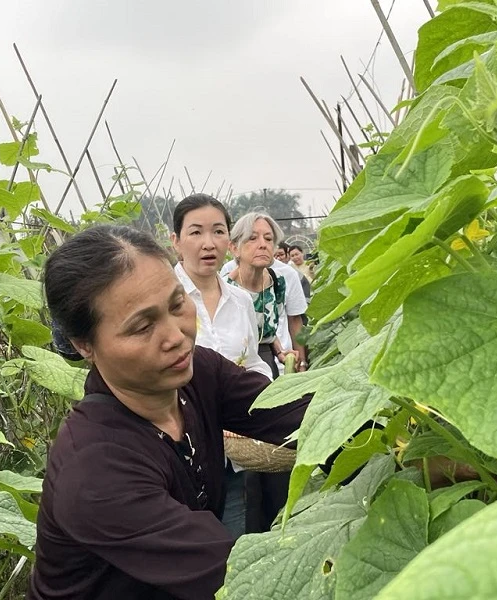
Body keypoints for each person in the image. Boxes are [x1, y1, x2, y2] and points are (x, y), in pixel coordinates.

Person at [28, 225, 308, 600]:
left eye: (177, 304)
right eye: (142, 326)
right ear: (84, 345)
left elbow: (299, 413)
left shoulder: (198, 372)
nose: (176, 336)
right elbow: (239, 581)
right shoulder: (95, 468)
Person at [170, 193, 272, 540]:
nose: (208, 243)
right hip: (181, 445)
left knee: (232, 540)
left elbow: (256, 361)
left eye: (218, 232)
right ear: (176, 241)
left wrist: (257, 404)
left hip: (239, 446)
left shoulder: (242, 300)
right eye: (195, 233)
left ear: (229, 240)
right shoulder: (162, 301)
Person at [224, 213, 307, 376]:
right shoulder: (225, 287)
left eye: (268, 239)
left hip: (273, 366)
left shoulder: (279, 281)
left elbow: (272, 329)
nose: (263, 245)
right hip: (235, 370)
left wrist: (292, 358)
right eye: (252, 238)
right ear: (234, 248)